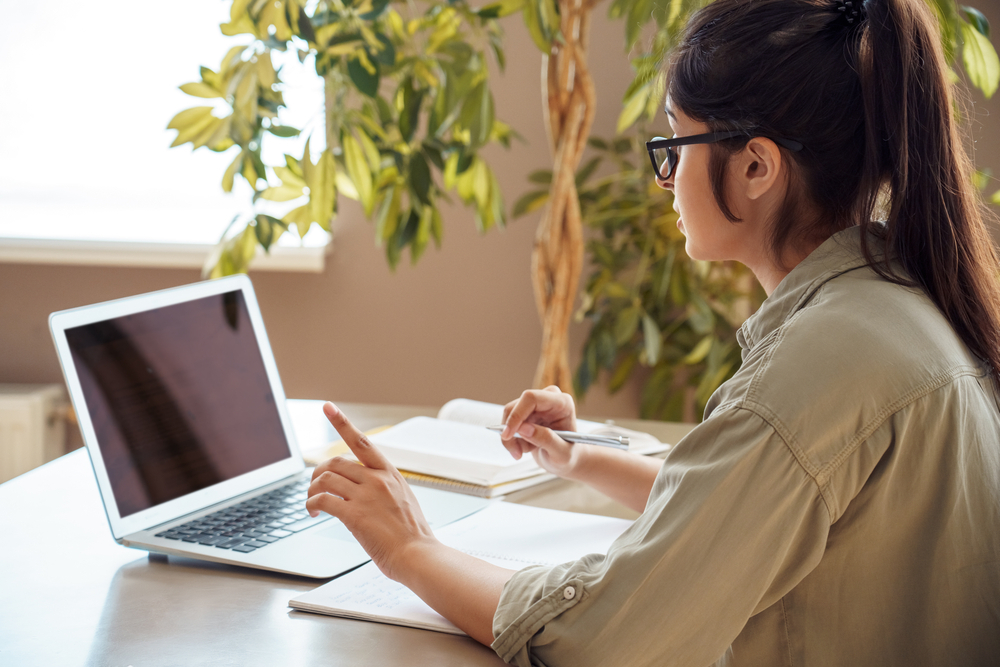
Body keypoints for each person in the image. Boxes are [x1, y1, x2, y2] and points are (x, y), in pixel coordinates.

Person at [306, 0, 1000, 663]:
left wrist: (409, 548)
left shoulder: (820, 362)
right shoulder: (899, 303)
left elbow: (606, 639)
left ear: (757, 165)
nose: (664, 178)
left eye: (675, 141)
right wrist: (578, 458)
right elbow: (750, 502)